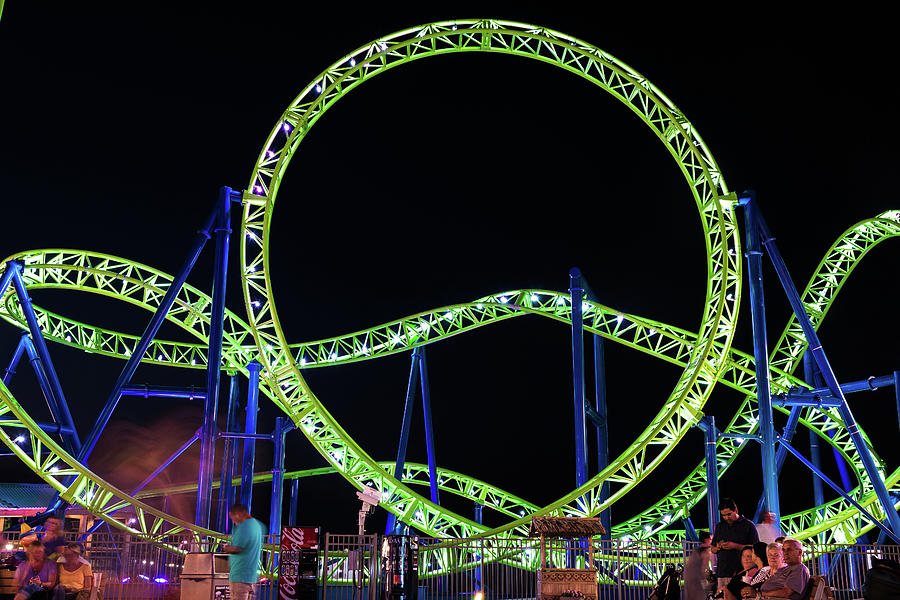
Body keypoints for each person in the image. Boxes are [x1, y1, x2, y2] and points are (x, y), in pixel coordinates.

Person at [711, 498, 759, 591]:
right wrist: (716, 548)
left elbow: (755, 547)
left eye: (729, 514)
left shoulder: (748, 525)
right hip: (723, 572)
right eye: (723, 515)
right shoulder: (720, 526)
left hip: (742, 572)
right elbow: (712, 548)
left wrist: (735, 546)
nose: (726, 517)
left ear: (736, 510)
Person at [223, 504, 265, 600]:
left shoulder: (243, 527)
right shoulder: (257, 525)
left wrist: (226, 548)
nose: (233, 521)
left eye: (232, 518)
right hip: (252, 577)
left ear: (238, 514)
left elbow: (237, 548)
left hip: (239, 577)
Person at [683, 530, 713, 600]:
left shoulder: (697, 549)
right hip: (697, 579)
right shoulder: (706, 552)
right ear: (706, 540)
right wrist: (707, 581)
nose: (712, 541)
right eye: (711, 539)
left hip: (689, 577)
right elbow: (704, 568)